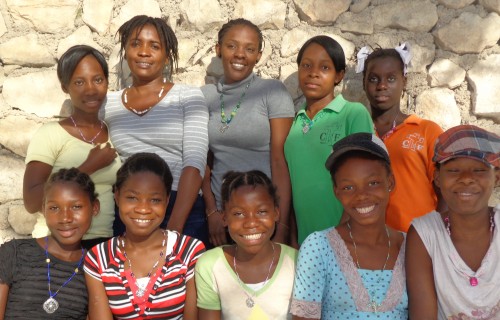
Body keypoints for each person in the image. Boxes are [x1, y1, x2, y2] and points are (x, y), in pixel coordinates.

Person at [291, 133, 424, 320]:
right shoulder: (318, 247)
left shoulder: (411, 246)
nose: (361, 195)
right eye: (348, 187)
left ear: (390, 183)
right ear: (336, 191)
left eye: (373, 182)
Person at [84, 152, 206, 320]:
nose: (143, 208)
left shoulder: (189, 251)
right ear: (117, 195)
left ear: (167, 201)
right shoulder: (98, 258)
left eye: (155, 199)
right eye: (132, 197)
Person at [102, 15, 209, 244]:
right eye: (136, 44)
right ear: (126, 51)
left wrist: (174, 229)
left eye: (154, 46)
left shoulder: (187, 97)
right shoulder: (108, 104)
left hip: (181, 207)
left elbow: (194, 164)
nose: (144, 52)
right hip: (130, 212)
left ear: (167, 56)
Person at [406, 125, 500, 320]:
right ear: (437, 178)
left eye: (479, 170)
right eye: (454, 170)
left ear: (497, 177)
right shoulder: (425, 235)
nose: (466, 179)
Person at [196, 170, 308, 320]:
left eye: (262, 211)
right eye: (238, 213)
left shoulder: (299, 263)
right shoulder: (209, 265)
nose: (251, 222)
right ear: (224, 218)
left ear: (276, 213)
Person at [201, 18, 295, 247]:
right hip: (223, 217)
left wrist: (281, 226)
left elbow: (280, 160)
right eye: (232, 46)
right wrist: (212, 212)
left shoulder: (272, 92)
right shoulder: (205, 96)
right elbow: (201, 161)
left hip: (262, 215)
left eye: (249, 49)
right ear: (218, 49)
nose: (240, 54)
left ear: (258, 56)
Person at [0, 168, 100, 320]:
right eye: (54, 208)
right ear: (43, 209)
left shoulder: (97, 267)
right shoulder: (14, 253)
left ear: (95, 208)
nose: (65, 217)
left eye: (77, 207)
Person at [23, 45, 121, 249]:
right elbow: (32, 202)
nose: (91, 89)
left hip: (103, 246)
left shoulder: (113, 132)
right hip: (56, 244)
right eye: (79, 82)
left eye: (98, 80)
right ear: (65, 87)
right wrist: (88, 167)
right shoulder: (50, 133)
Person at [285, 35, 374, 245]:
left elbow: (364, 178)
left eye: (324, 68)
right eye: (306, 65)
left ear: (339, 75)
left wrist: (342, 234)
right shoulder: (295, 123)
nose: (313, 73)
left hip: (348, 238)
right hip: (306, 242)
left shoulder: (352, 113)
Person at [358, 43, 443, 232]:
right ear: (364, 82)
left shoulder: (426, 131)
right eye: (373, 79)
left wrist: (439, 240)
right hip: (372, 246)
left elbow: (444, 193)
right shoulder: (358, 133)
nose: (381, 86)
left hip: (420, 241)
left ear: (404, 82)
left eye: (391, 78)